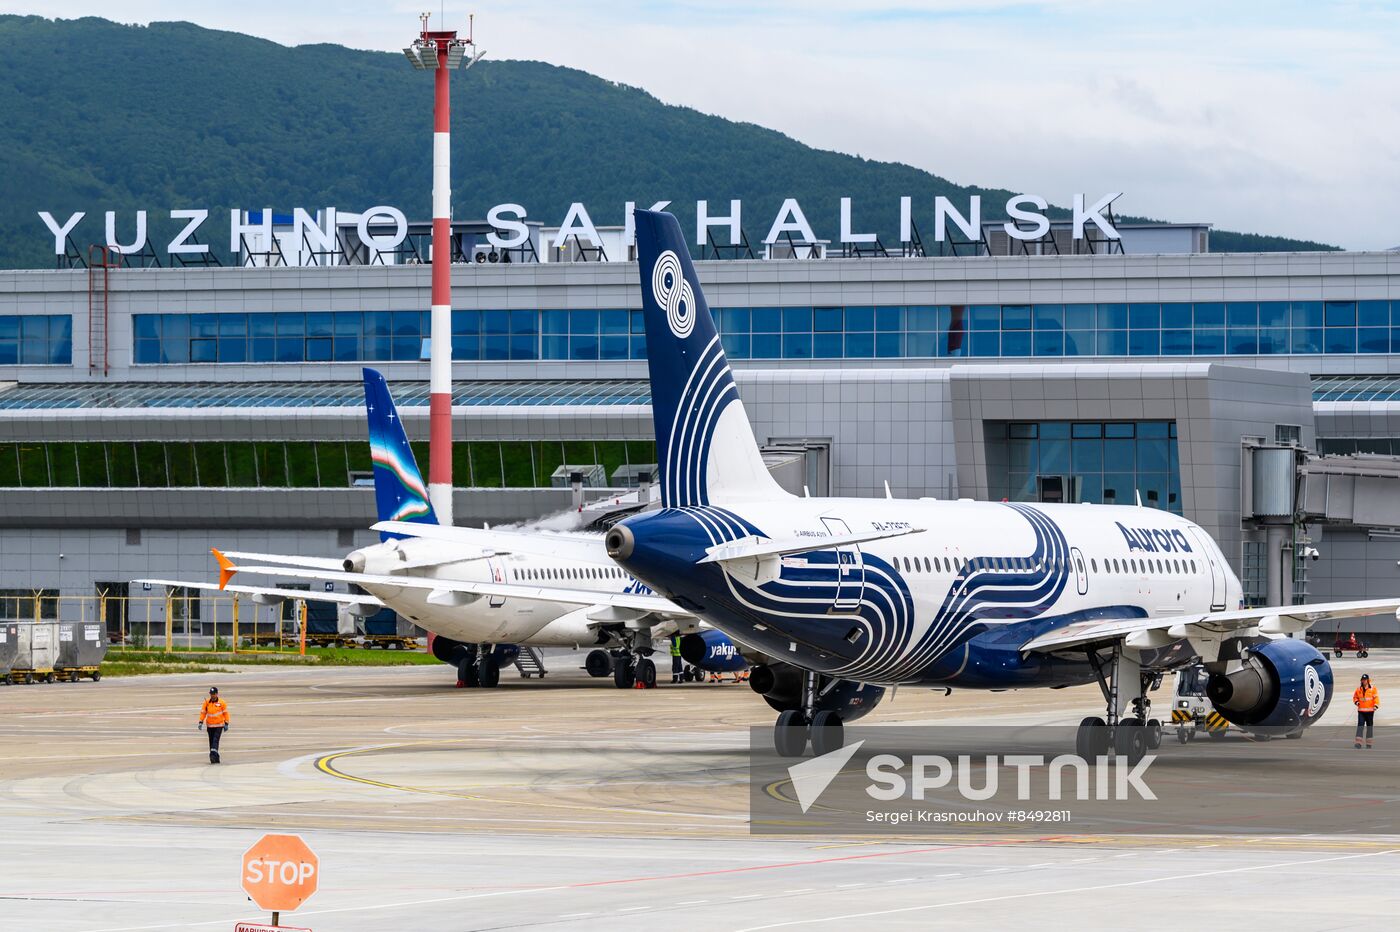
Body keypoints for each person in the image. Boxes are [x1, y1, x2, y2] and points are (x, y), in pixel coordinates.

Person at [198, 686, 230, 763]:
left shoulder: (222, 703)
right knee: (211, 741)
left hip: (219, 725)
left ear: (216, 694)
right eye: (211, 694)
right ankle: (216, 757)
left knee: (215, 740)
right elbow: (203, 713)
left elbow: (226, 713)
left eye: (213, 694)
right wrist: (200, 722)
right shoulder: (206, 703)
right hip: (210, 726)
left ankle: (212, 755)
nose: (212, 695)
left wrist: (226, 723)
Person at [1353, 674, 1379, 749]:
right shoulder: (1358, 689)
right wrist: (1356, 702)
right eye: (1362, 680)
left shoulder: (1373, 689)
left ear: (1368, 680)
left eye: (1365, 680)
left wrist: (1376, 705)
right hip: (1361, 711)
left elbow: (1376, 698)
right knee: (1360, 726)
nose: (1363, 681)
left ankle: (1369, 744)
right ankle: (1358, 743)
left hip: (1370, 711)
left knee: (1369, 727)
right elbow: (1355, 697)